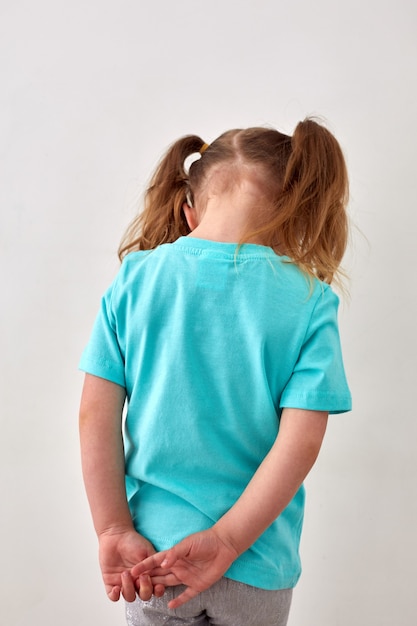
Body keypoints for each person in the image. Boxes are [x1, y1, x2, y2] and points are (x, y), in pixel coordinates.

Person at [79, 118, 352, 626]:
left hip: (152, 560)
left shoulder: (136, 279)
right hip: (256, 560)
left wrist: (112, 529)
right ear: (296, 214)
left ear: (188, 210)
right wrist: (227, 541)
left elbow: (94, 415)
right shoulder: (311, 301)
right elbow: (301, 444)